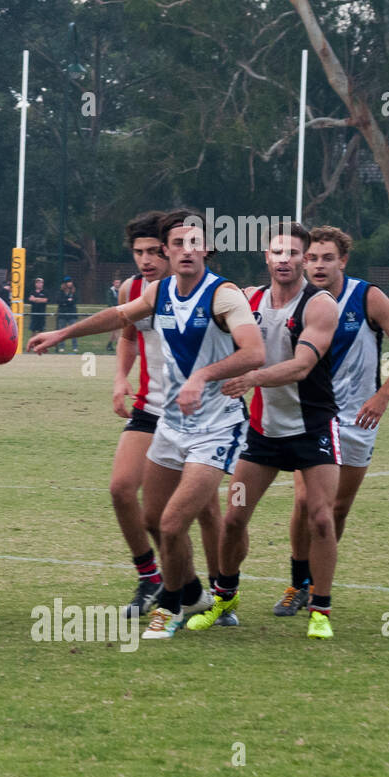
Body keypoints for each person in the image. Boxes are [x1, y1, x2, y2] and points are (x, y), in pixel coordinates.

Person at [27, 208, 264, 640]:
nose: (186, 250)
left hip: (215, 426)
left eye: (195, 242)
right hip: (169, 424)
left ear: (207, 248)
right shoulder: (158, 293)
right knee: (154, 520)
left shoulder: (224, 295)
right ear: (168, 251)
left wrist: (203, 376)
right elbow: (118, 318)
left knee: (177, 522)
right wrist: (62, 334)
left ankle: (176, 605)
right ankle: (191, 592)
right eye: (178, 244)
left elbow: (254, 352)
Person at [276, 226, 389, 618]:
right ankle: (299, 583)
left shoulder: (367, 297)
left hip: (358, 419)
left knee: (337, 509)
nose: (318, 265)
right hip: (311, 416)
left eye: (327, 258)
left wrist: (384, 394)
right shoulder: (295, 298)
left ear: (343, 260)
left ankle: (319, 580)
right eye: (311, 257)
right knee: (307, 501)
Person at [201, 225, 341, 639]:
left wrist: (252, 378)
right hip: (261, 436)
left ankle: (320, 611)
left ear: (303, 258)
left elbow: (301, 366)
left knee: (320, 519)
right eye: (278, 251)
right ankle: (224, 600)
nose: (285, 259)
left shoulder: (320, 305)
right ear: (266, 255)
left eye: (294, 253)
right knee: (233, 519)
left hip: (312, 431)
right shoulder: (248, 300)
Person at [108, 211, 225, 623]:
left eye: (154, 251)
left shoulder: (202, 290)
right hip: (150, 408)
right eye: (138, 252)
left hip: (196, 415)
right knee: (122, 489)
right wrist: (121, 378)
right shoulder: (134, 290)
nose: (146, 260)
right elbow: (127, 335)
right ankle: (152, 577)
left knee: (207, 511)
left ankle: (219, 593)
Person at [57, 277, 79, 352]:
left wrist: (66, 302)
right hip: (63, 314)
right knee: (62, 330)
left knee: (73, 331)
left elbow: (75, 301)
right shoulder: (60, 292)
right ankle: (61, 347)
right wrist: (67, 301)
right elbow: (59, 301)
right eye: (68, 282)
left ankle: (75, 347)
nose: (70, 283)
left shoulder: (73, 292)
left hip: (72, 313)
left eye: (70, 282)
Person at [104, 277, 121, 352]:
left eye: (119, 283)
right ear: (113, 283)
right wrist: (114, 307)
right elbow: (109, 301)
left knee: (115, 330)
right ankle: (118, 345)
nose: (118, 284)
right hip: (113, 312)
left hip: (120, 311)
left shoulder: (120, 290)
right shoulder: (110, 291)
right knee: (116, 329)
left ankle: (109, 345)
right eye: (116, 283)